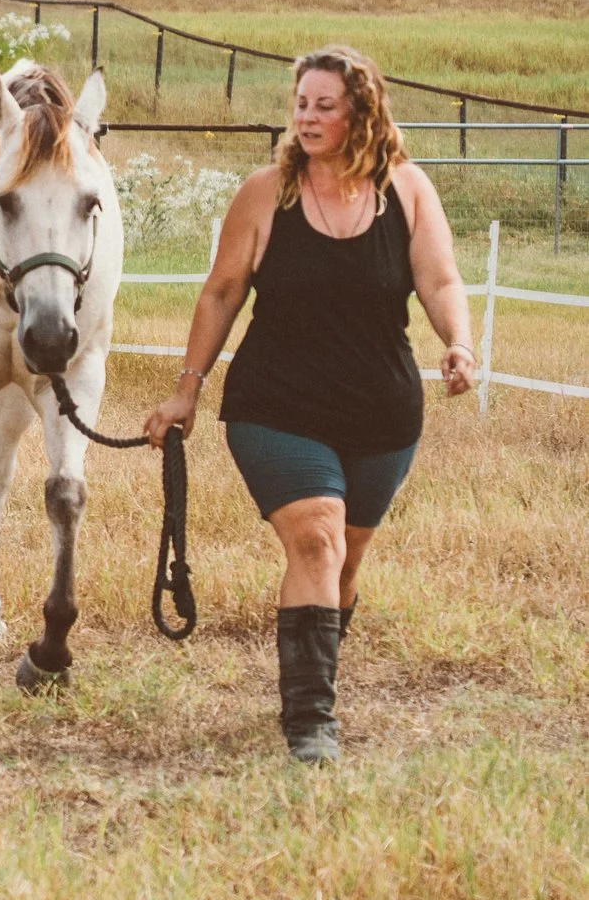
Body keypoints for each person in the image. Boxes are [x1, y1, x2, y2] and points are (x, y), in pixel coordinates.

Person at [143, 45, 475, 764]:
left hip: (381, 411)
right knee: (316, 538)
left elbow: (441, 280)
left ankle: (313, 671)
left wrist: (460, 343)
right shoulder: (267, 193)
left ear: (361, 110)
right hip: (276, 404)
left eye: (325, 105)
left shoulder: (407, 190)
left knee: (345, 565)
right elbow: (222, 291)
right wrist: (186, 390)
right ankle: (310, 723)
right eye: (301, 104)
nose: (308, 117)